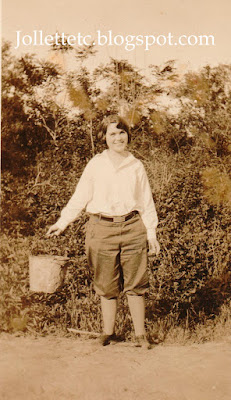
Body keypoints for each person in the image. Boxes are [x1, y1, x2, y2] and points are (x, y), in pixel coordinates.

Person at [46, 115, 160, 348]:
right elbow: (81, 196)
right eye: (112, 134)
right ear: (104, 138)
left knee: (136, 284)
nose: (118, 138)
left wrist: (151, 233)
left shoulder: (136, 165)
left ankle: (140, 336)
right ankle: (108, 332)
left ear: (127, 135)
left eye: (121, 132)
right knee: (106, 284)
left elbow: (146, 202)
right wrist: (62, 222)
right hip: (101, 228)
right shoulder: (96, 164)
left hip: (132, 227)